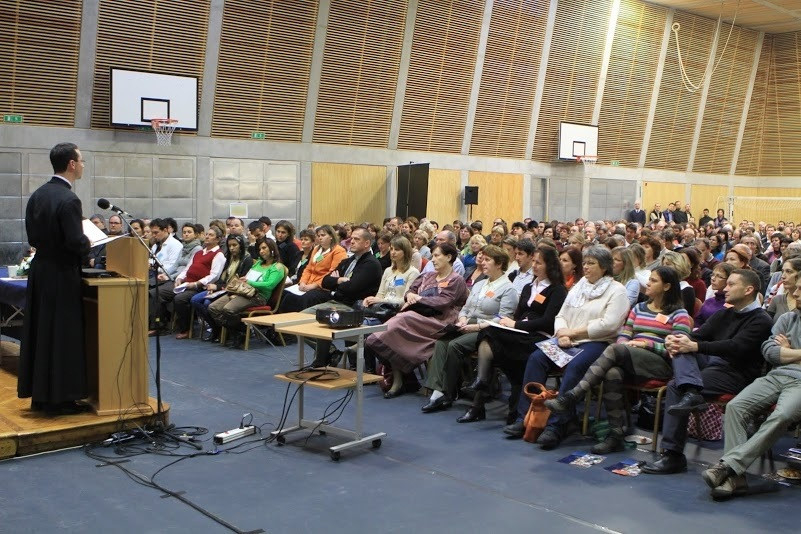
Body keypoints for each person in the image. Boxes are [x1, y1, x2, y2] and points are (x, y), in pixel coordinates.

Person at [545, 266, 692, 453]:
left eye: (654, 280)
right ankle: (615, 434)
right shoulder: (639, 308)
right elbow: (625, 334)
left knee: (614, 349)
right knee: (612, 373)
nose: (647, 283)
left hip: (659, 363)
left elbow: (677, 348)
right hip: (629, 356)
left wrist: (646, 345)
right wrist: (626, 345)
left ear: (667, 286)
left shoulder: (680, 314)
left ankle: (572, 396)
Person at [641, 269, 772, 475]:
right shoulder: (725, 313)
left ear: (748, 290)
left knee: (677, 385)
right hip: (712, 366)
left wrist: (695, 346)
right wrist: (677, 340)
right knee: (681, 349)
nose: (724, 288)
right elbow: (699, 336)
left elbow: (735, 347)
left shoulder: (761, 319)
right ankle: (692, 391)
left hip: (737, 374)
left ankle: (673, 455)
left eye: (731, 284)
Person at [504, 246, 630, 447]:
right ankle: (525, 418)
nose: (586, 267)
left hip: (596, 342)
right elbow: (561, 315)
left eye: (591, 264)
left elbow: (610, 324)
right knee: (536, 358)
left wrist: (573, 333)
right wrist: (562, 333)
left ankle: (557, 425)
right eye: (585, 263)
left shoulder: (617, 291)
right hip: (566, 339)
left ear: (605, 267)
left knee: (575, 366)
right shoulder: (579, 286)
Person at [701, 275, 801, 499]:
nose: (794, 293)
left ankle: (729, 467)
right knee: (736, 407)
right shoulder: (787, 318)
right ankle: (736, 479)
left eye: (800, 290)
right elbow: (770, 352)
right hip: (776, 376)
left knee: (783, 414)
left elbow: (780, 353)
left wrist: (789, 352)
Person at [454, 246, 568, 423]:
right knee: (490, 337)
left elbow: (547, 321)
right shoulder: (531, 287)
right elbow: (520, 313)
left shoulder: (557, 289)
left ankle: (480, 393)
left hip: (540, 337)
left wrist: (515, 324)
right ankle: (481, 389)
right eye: (534, 262)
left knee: (491, 339)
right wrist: (509, 323)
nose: (535, 266)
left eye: (539, 263)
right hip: (521, 334)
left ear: (550, 265)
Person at [18, 143, 92, 415]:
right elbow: (74, 241)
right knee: (62, 334)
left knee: (42, 332)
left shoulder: (38, 194)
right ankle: (61, 397)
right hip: (61, 273)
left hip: (41, 270)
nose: (83, 165)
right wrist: (88, 243)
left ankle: (41, 394)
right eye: (81, 160)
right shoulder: (69, 199)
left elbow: (33, 235)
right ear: (72, 164)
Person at [421, 245, 518, 421]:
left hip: (490, 330)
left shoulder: (508, 288)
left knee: (454, 345)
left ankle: (448, 393)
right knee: (441, 342)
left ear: (499, 264)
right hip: (470, 323)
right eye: (483, 258)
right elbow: (466, 307)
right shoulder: (480, 283)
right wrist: (463, 318)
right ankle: (437, 391)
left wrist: (476, 327)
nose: (483, 262)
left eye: (488, 260)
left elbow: (504, 318)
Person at [365, 243, 469, 398]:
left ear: (449, 257)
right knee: (393, 333)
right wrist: (410, 295)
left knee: (400, 320)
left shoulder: (456, 280)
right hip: (419, 317)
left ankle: (401, 375)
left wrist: (418, 299)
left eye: (437, 255)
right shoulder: (427, 275)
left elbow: (443, 302)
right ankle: (400, 380)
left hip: (440, 320)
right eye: (432, 255)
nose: (433, 259)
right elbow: (411, 290)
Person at [299, 228, 382, 367]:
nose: (352, 242)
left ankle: (322, 358)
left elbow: (352, 288)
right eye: (351, 238)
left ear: (367, 243)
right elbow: (325, 280)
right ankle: (330, 352)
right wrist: (338, 281)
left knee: (310, 319)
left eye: (356, 239)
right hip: (337, 302)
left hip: (351, 306)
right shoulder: (349, 261)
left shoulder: (371, 264)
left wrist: (337, 284)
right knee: (300, 320)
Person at [208, 237, 285, 348]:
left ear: (272, 249)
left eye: (264, 248)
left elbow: (269, 285)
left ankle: (239, 333)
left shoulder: (277, 267)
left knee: (228, 309)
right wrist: (245, 280)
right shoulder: (258, 263)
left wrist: (250, 282)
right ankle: (240, 329)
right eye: (260, 249)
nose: (261, 251)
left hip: (259, 296)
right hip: (244, 291)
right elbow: (249, 277)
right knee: (213, 308)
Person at [191, 233, 253, 342]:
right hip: (222, 288)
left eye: (235, 245)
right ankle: (216, 327)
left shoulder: (247, 259)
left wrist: (218, 287)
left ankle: (219, 330)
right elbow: (223, 277)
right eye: (230, 246)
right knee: (195, 300)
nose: (232, 248)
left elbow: (239, 283)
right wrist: (214, 286)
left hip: (234, 291)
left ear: (241, 245)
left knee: (206, 303)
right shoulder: (229, 258)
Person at [171, 228, 226, 339]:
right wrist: (179, 278)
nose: (206, 237)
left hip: (201, 287)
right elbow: (187, 268)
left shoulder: (218, 254)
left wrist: (197, 283)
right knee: (166, 293)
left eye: (211, 235)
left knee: (179, 299)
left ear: (218, 239)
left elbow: (214, 275)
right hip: (187, 283)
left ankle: (186, 329)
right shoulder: (199, 253)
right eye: (206, 234)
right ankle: (174, 324)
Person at [279, 225, 347, 312]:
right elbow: (308, 268)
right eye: (318, 236)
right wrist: (302, 282)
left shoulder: (338, 251)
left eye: (323, 235)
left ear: (331, 236)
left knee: (304, 298)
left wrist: (313, 286)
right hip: (308, 284)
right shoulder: (316, 249)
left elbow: (331, 274)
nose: (320, 238)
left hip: (323, 288)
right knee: (286, 294)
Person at [695, 262, 734, 328]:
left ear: (729, 280)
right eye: (712, 275)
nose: (713, 278)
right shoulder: (709, 301)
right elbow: (697, 322)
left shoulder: (733, 304)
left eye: (719, 276)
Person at [766, 258, 801, 322]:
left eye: (789, 271)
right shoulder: (777, 299)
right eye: (782, 271)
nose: (783, 276)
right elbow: (767, 326)